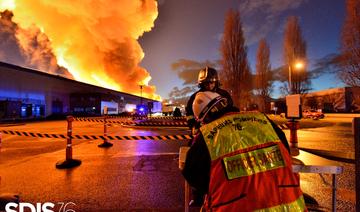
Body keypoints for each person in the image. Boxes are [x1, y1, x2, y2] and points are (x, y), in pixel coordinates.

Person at [182, 91, 306, 211]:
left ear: (205, 118)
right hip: (289, 205)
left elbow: (191, 172)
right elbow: (285, 149)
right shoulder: (262, 119)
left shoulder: (208, 134)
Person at [185, 66, 233, 133]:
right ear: (201, 84)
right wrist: (193, 125)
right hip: (205, 130)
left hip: (223, 128)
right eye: (206, 83)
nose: (209, 86)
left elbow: (231, 108)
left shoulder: (224, 94)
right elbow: (189, 113)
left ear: (216, 82)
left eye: (211, 83)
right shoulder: (195, 97)